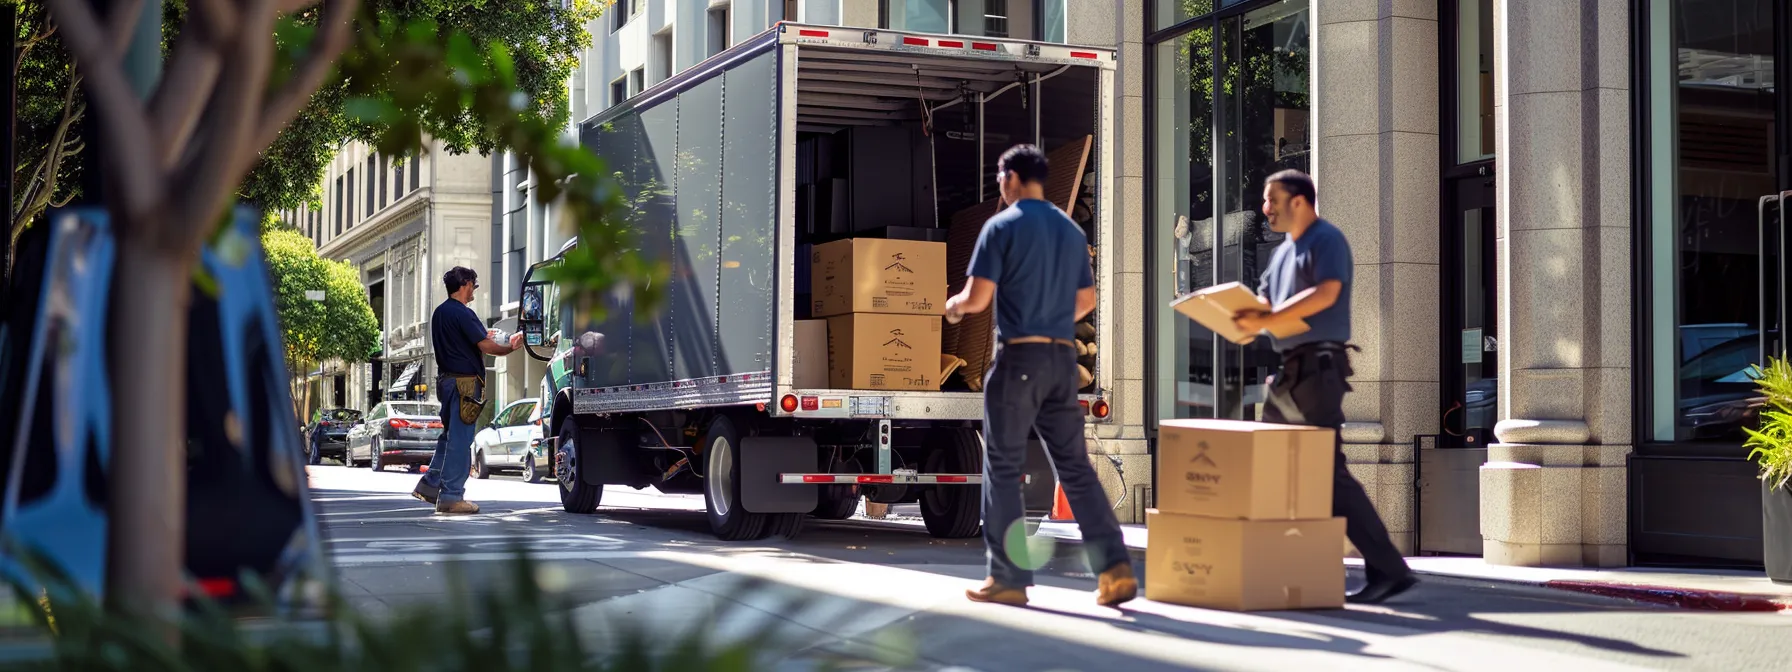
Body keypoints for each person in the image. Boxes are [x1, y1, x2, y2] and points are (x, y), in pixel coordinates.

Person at [945, 144, 1135, 608]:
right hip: (1061, 362)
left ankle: (1008, 578)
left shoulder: (1001, 227)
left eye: (999, 176)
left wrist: (952, 308)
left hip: (1019, 361)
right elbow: (1087, 299)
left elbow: (977, 297)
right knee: (1073, 466)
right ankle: (1114, 570)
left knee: (1003, 468)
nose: (999, 184)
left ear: (1011, 178)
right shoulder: (1069, 230)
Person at [1232, 169, 1418, 604]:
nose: (1265, 208)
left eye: (1270, 199)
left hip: (1318, 369)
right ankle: (1298, 565)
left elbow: (1325, 293)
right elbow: (1264, 306)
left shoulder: (1326, 239)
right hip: (1291, 371)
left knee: (1325, 472)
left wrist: (1267, 319)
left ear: (1299, 201)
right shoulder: (1281, 253)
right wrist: (1237, 318)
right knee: (1276, 466)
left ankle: (1388, 569)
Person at [411, 267, 526, 514]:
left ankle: (431, 485)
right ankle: (452, 496)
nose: (475, 289)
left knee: (449, 437)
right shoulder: (464, 313)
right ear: (464, 284)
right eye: (474, 284)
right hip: (465, 383)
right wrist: (511, 347)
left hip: (446, 381)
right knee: (461, 442)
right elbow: (485, 344)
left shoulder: (440, 313)